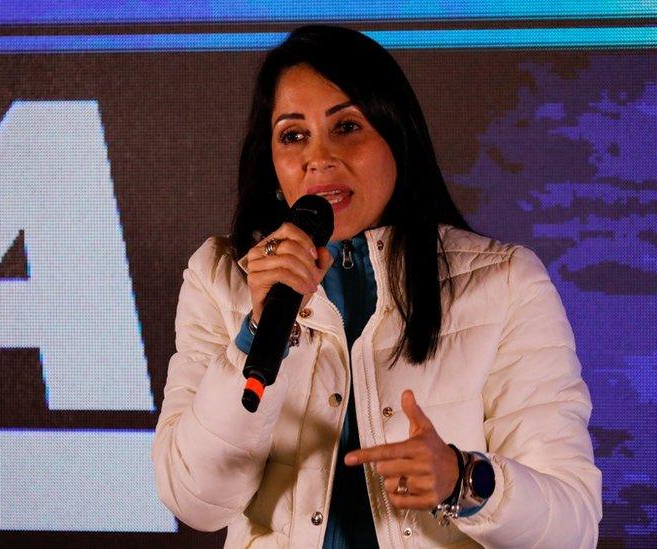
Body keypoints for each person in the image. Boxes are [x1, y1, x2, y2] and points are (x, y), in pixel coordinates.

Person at [152, 25, 601, 548]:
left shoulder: (504, 281)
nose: (318, 158)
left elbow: (572, 527)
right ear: (273, 166)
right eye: (293, 135)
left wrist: (463, 481)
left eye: (347, 126)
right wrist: (256, 332)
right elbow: (195, 498)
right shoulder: (220, 277)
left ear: (397, 139)